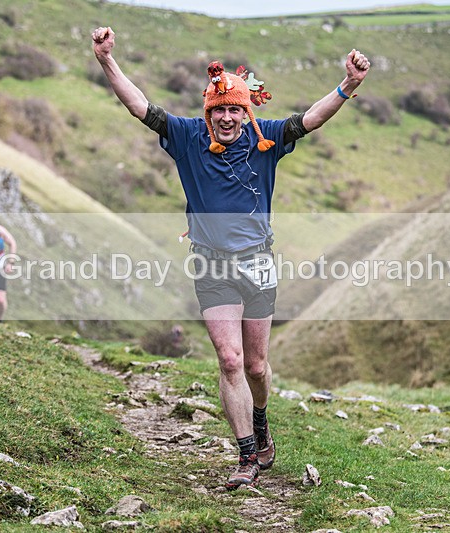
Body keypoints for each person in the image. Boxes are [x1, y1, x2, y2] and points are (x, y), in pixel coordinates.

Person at [92, 26, 370, 489]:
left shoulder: (267, 139)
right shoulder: (185, 136)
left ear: (246, 110)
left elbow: (311, 119)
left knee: (257, 366)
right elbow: (138, 105)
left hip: (258, 261)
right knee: (229, 360)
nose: (225, 116)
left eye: (234, 108)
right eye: (218, 108)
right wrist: (106, 60)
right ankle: (246, 457)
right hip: (211, 263)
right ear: (208, 112)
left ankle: (261, 422)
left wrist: (349, 86)